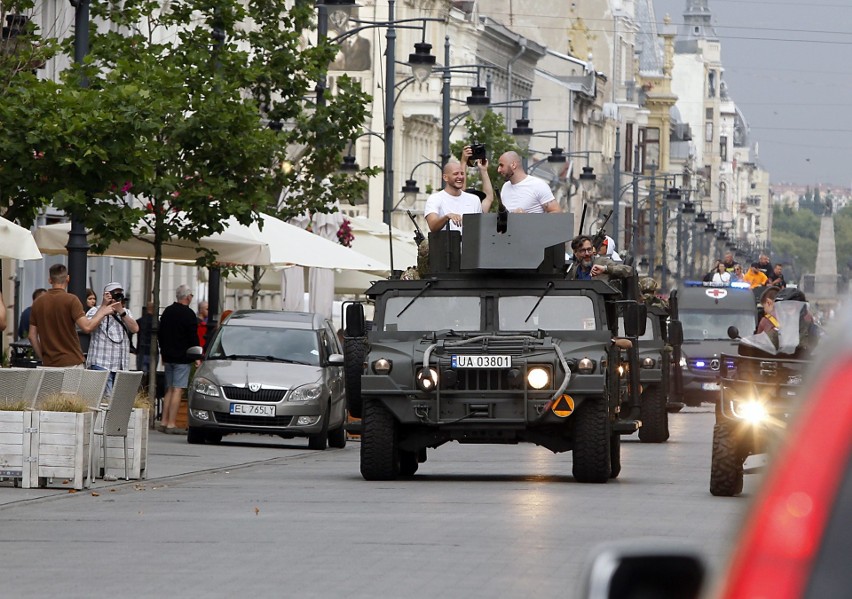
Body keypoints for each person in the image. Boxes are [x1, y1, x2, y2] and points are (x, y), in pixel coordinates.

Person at [29, 264, 116, 367]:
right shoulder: (71, 300)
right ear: (68, 278)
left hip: (49, 364)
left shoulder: (38, 302)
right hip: (71, 362)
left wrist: (43, 357)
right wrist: (103, 312)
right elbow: (87, 327)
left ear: (50, 280)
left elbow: (32, 336)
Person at [86, 282, 139, 397]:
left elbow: (135, 328)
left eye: (120, 294)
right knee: (105, 401)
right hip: (101, 363)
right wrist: (103, 308)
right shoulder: (95, 310)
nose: (117, 297)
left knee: (115, 401)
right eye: (115, 294)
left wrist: (122, 312)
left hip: (120, 366)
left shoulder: (126, 312)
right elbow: (89, 327)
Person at [158, 284, 199, 434]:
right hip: (182, 356)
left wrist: (163, 352)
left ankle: (163, 420)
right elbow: (193, 337)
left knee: (169, 389)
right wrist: (197, 356)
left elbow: (161, 334)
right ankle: (171, 423)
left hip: (168, 355)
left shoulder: (168, 311)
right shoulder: (189, 314)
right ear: (188, 297)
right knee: (177, 389)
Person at [424, 147, 493, 232]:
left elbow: (478, 228)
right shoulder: (435, 198)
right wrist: (447, 217)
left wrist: (483, 170)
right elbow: (433, 226)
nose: (460, 177)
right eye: (456, 174)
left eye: (462, 174)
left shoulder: (474, 200)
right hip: (446, 244)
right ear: (445, 177)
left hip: (469, 245)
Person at [496, 151, 560, 213]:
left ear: (513, 165)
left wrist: (527, 218)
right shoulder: (505, 187)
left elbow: (557, 212)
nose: (498, 170)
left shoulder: (538, 185)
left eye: (501, 165)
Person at [566, 235, 633, 282]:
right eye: (582, 251)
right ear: (575, 252)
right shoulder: (574, 269)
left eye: (589, 249)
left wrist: (605, 269)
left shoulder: (602, 262)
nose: (587, 254)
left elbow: (628, 270)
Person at [135, 301, 155, 373]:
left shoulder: (139, 321)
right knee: (151, 375)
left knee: (141, 375)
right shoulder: (156, 323)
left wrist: (132, 348)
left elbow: (130, 333)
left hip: (141, 350)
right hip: (153, 351)